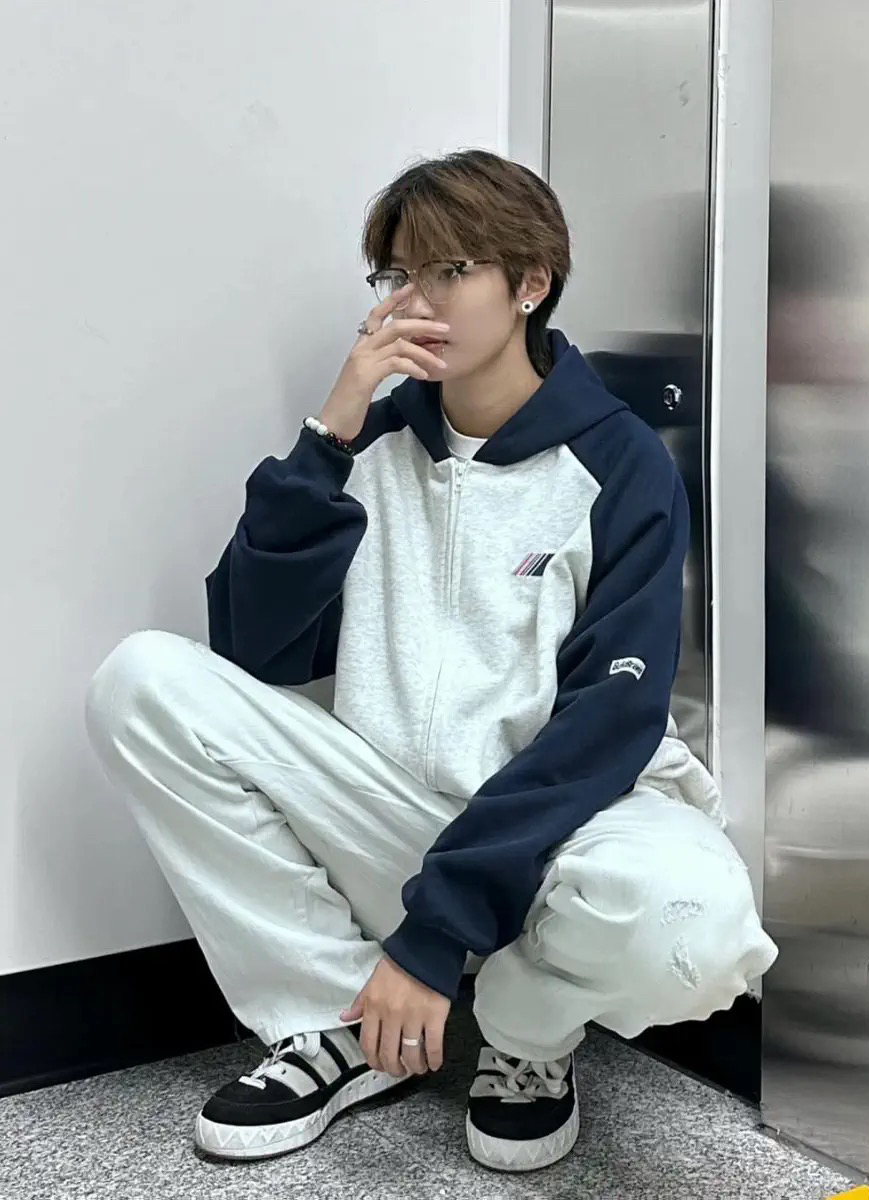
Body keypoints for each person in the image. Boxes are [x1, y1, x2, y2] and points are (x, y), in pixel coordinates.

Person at [85, 149, 777, 1174]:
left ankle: (525, 1032)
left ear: (531, 283)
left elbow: (608, 724)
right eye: (399, 274)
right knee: (141, 681)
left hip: (562, 829)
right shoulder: (368, 446)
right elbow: (253, 649)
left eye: (450, 271)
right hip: (394, 812)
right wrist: (329, 431)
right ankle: (339, 1024)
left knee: (700, 929)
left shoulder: (619, 462)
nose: (415, 300)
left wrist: (437, 932)